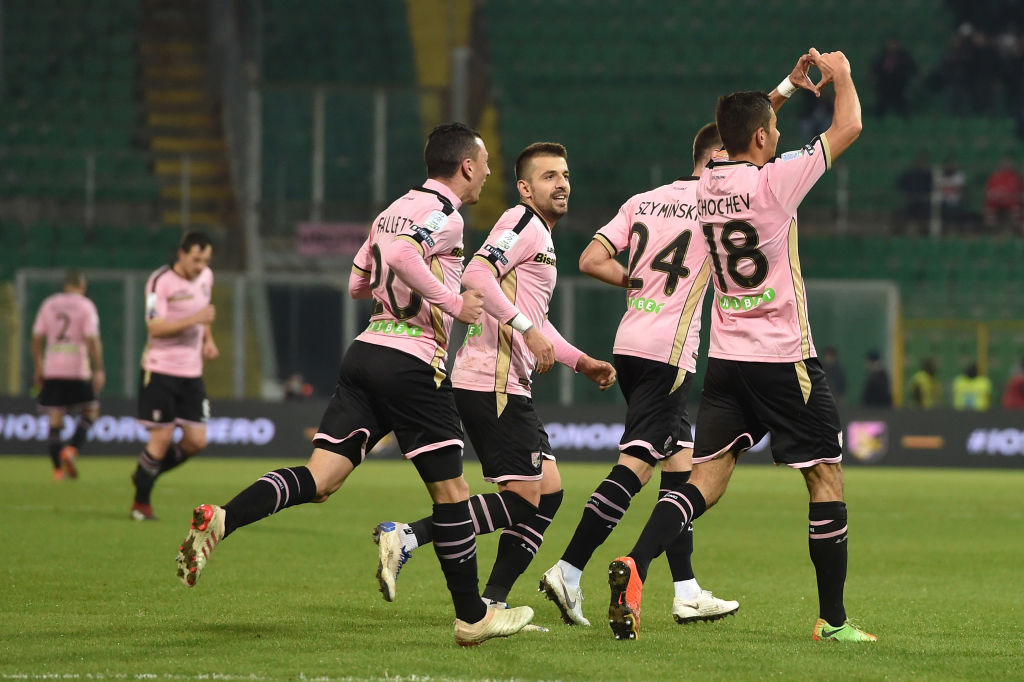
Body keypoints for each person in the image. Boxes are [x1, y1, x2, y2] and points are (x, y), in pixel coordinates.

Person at [173, 122, 537, 646]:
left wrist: (404, 290)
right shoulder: (447, 216)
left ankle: (225, 519)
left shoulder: (389, 211)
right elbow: (407, 257)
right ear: (464, 167)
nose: (486, 174)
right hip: (412, 363)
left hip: (366, 352)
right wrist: (454, 303)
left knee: (320, 479)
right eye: (483, 165)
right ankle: (472, 616)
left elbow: (358, 281)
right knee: (453, 493)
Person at [606, 48, 877, 643]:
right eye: (774, 130)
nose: (779, 135)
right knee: (825, 478)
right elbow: (849, 126)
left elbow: (743, 132)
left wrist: (783, 87)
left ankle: (637, 563)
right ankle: (832, 622)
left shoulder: (705, 185)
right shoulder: (776, 183)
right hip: (784, 357)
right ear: (760, 138)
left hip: (727, 362)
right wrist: (843, 75)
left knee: (706, 479)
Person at [372, 142, 616, 611]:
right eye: (548, 177)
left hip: (507, 382)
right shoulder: (522, 223)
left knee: (551, 491)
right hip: (491, 381)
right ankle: (409, 536)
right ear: (525, 188)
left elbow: (535, 322)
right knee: (526, 500)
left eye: (565, 174)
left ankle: (495, 601)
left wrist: (579, 361)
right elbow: (477, 274)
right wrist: (526, 330)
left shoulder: (540, 237)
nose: (561, 183)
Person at [535, 121, 744, 630]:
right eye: (735, 156)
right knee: (637, 466)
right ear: (717, 155)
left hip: (630, 342)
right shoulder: (715, 205)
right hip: (669, 353)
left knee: (679, 464)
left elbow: (590, 258)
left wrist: (638, 281)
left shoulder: (644, 200)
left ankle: (687, 590)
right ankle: (568, 568)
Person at [130, 231, 219, 521]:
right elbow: (154, 327)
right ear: (181, 253)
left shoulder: (206, 277)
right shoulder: (160, 282)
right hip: (160, 370)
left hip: (192, 373)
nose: (200, 266)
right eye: (195, 259)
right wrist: (196, 320)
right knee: (161, 439)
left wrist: (207, 338)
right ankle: (140, 503)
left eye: (205, 260)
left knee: (196, 441)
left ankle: (145, 473)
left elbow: (203, 311)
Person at [31, 269, 104, 480]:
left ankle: (57, 471)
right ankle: (71, 449)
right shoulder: (86, 305)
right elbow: (92, 338)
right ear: (82, 286)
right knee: (91, 411)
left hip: (52, 369)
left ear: (65, 286)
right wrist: (98, 368)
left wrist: (38, 367)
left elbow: (36, 338)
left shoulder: (49, 303)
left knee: (55, 420)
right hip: (77, 369)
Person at [870, 38, 916, 118]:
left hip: (899, 83)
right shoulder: (882, 56)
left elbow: (912, 68)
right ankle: (878, 118)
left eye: (894, 44)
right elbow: (875, 68)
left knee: (901, 102)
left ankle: (906, 119)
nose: (892, 46)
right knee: (882, 101)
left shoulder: (904, 56)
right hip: (884, 83)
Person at [896, 152, 933, 235]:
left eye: (923, 161)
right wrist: (907, 195)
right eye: (919, 161)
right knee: (907, 209)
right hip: (910, 199)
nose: (921, 163)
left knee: (926, 210)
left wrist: (925, 196)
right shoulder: (909, 174)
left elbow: (932, 188)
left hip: (923, 200)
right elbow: (901, 186)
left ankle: (923, 231)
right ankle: (905, 231)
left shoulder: (928, 175)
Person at [983, 157, 1024, 232]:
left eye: (1009, 164)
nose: (1007, 166)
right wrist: (995, 194)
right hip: (998, 200)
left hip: (1011, 201)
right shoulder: (995, 177)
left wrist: (1015, 196)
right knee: (990, 205)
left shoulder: (1016, 177)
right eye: (1005, 164)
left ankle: (1016, 227)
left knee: (1017, 206)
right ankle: (991, 228)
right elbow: (989, 191)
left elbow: (1021, 192)